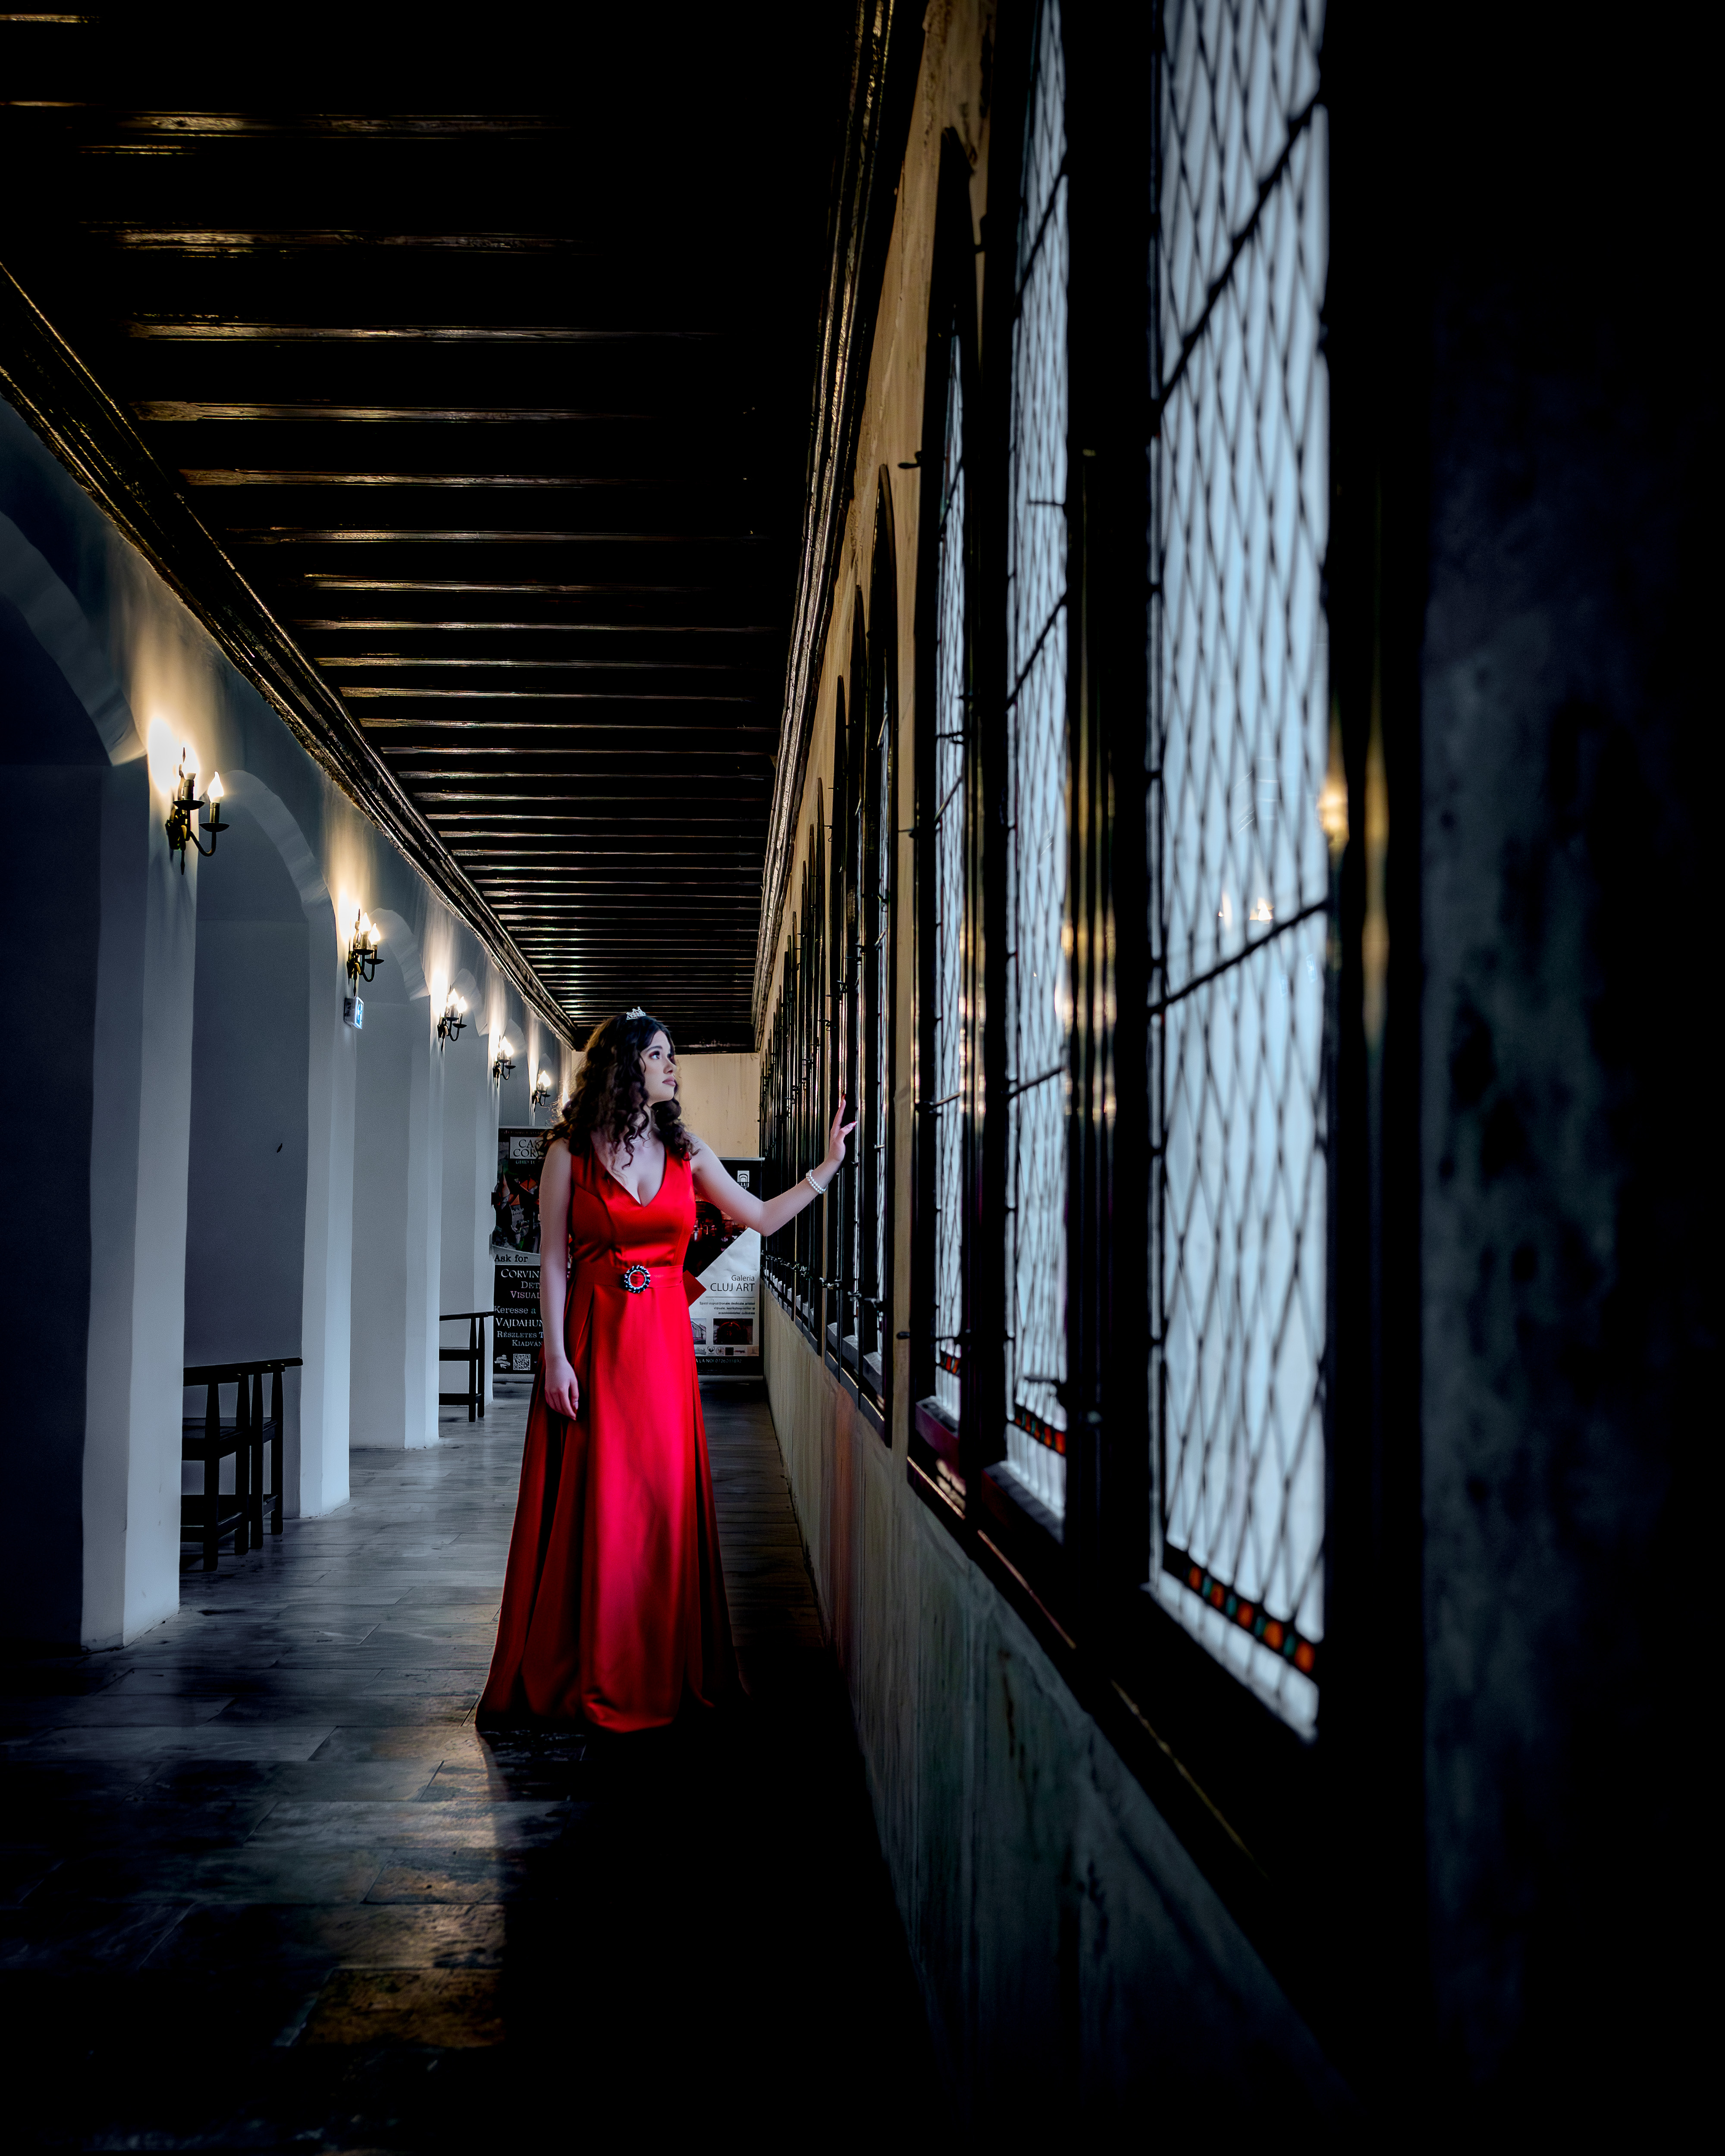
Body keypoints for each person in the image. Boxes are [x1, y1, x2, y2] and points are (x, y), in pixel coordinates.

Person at [479, 1007, 854, 1730]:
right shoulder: (568, 1153)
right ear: (625, 1065)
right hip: (591, 1343)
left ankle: (656, 1661)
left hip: (660, 1351)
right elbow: (552, 1261)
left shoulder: (688, 1151)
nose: (672, 1066)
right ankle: (589, 1662)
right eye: (659, 1055)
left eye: (671, 1055)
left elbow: (760, 1218)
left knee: (660, 1502)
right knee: (598, 1500)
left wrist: (826, 1169)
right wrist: (554, 1357)